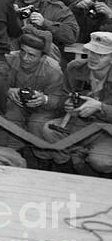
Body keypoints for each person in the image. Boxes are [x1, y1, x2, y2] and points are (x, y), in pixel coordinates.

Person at [41, 31, 112, 175]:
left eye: (101, 55)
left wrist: (99, 107)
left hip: (107, 130)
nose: (94, 58)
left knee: (101, 162)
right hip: (79, 123)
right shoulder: (75, 68)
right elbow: (63, 96)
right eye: (92, 52)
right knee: (49, 130)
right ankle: (70, 168)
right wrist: (67, 104)